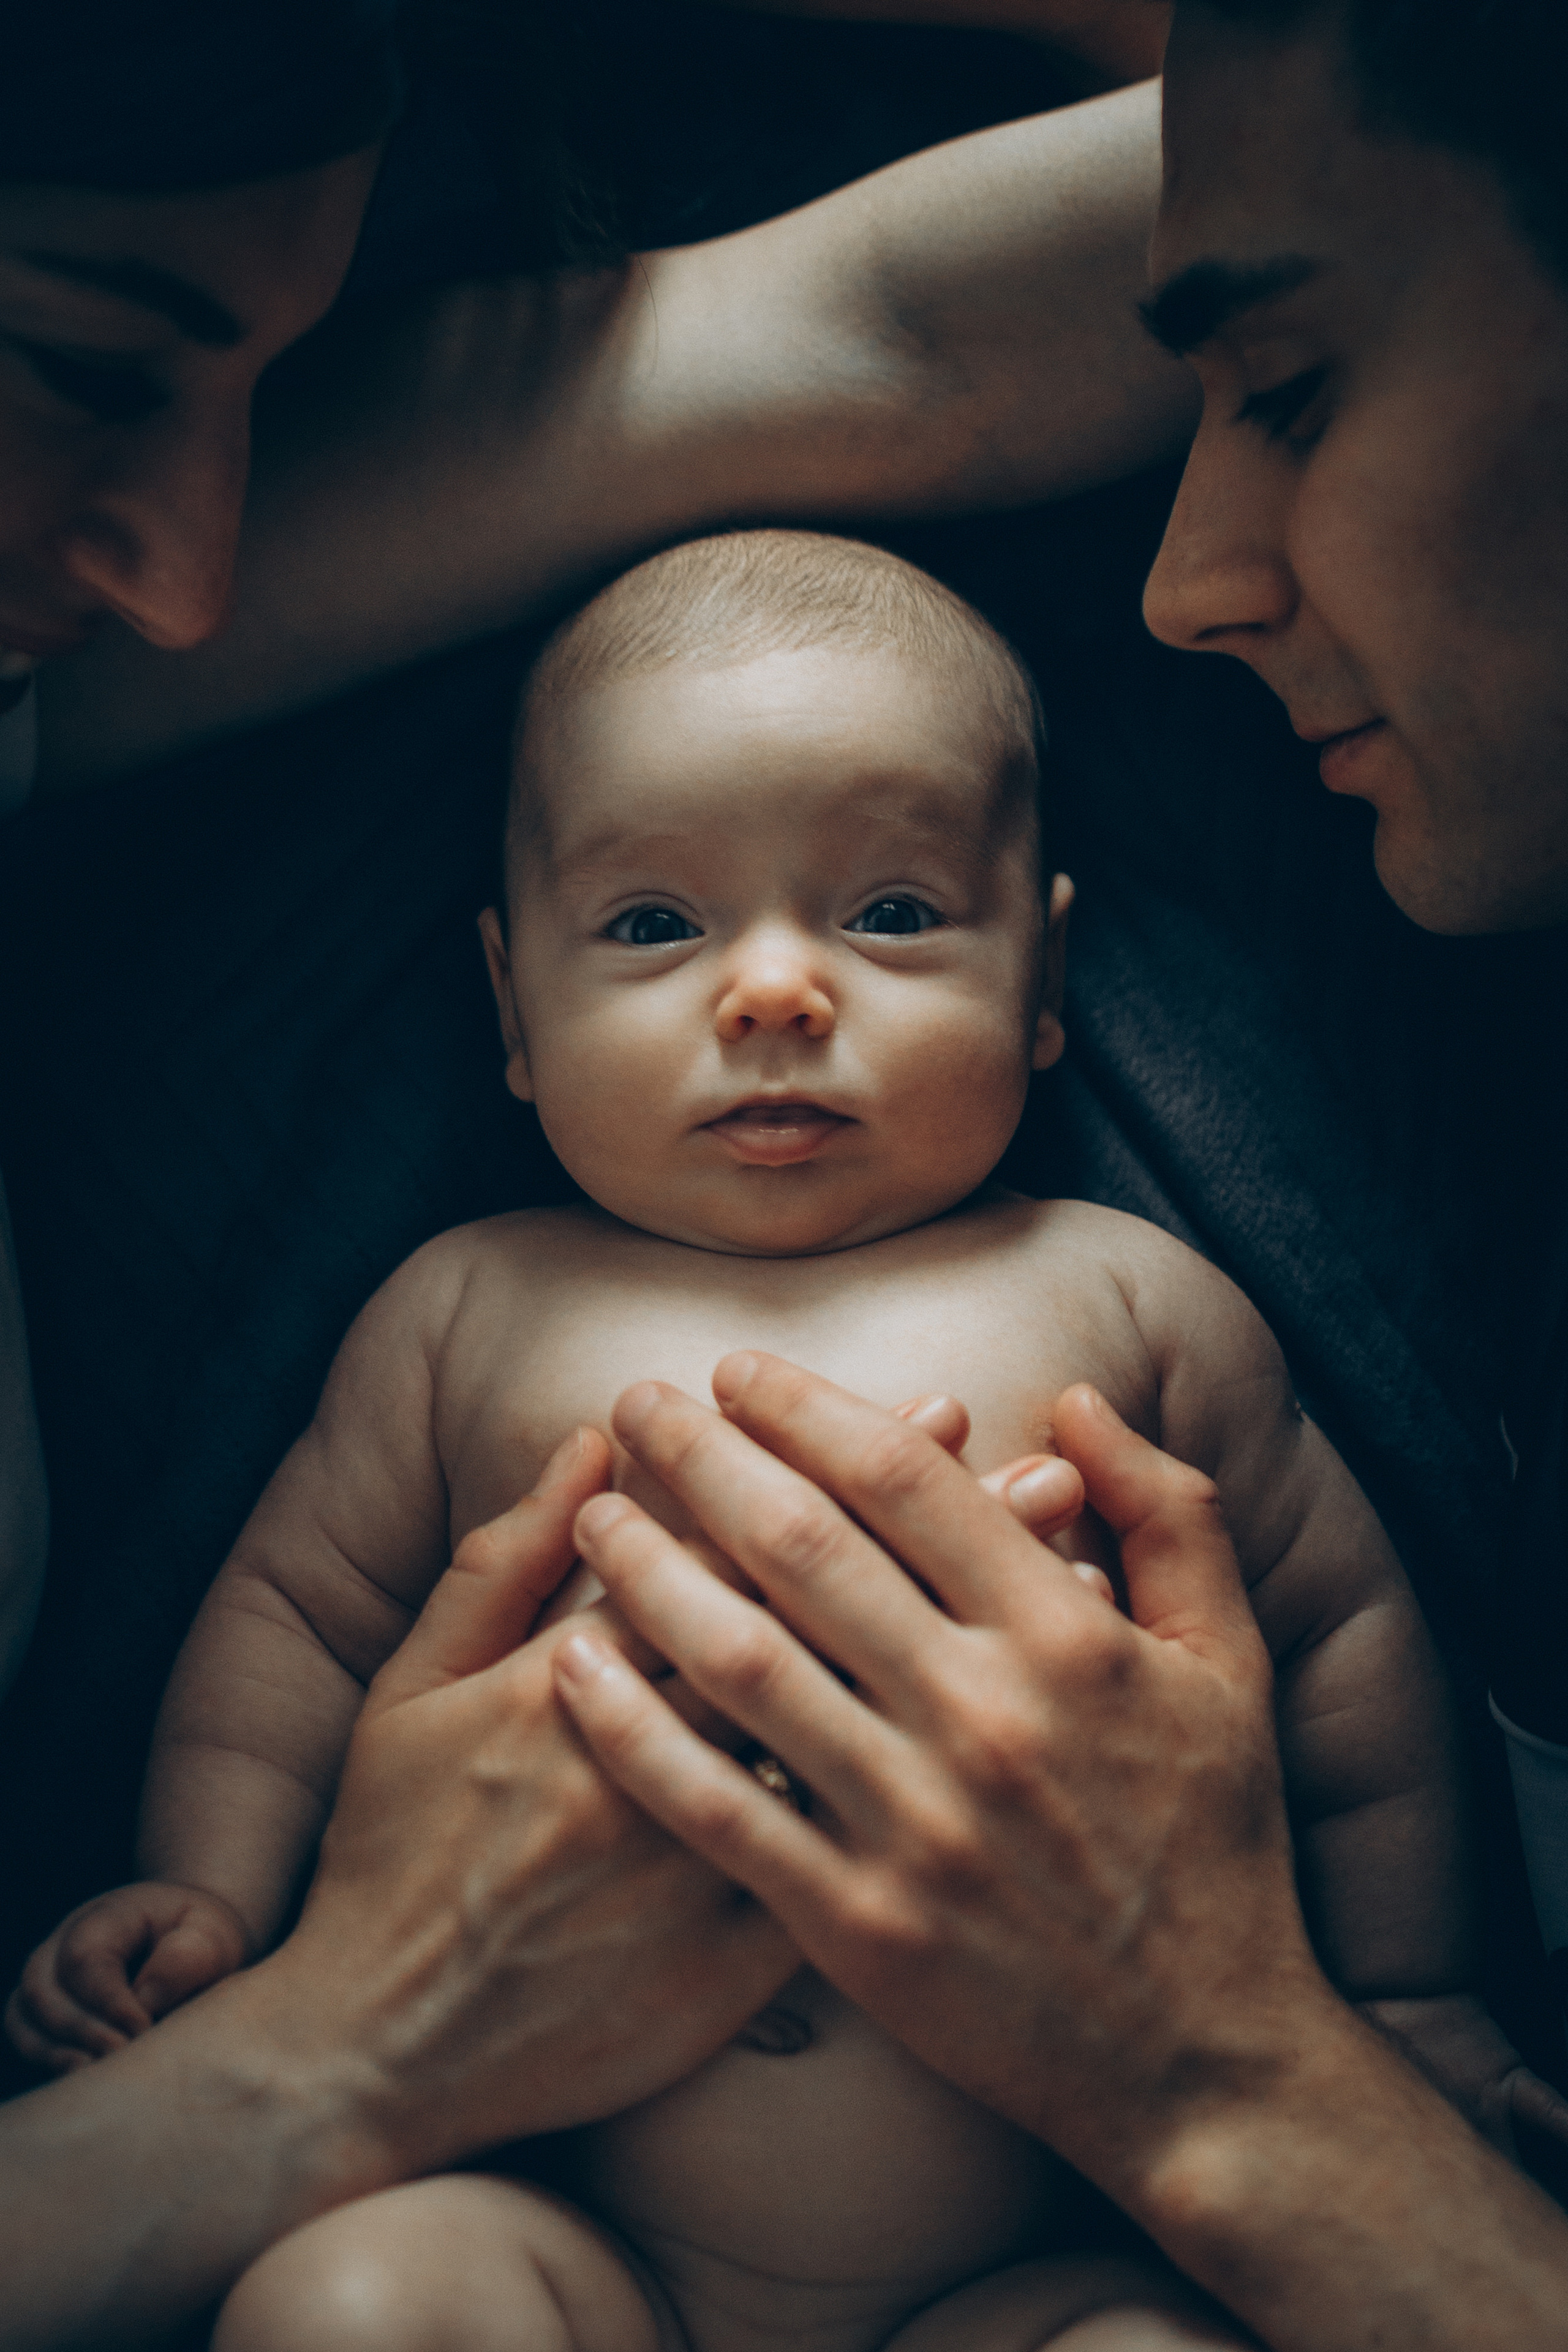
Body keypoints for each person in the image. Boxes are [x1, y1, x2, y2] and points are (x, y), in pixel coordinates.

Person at [9, 530, 1499, 2352]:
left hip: (1030, 2270)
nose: (776, 990)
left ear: (1046, 979)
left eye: (890, 913)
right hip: (569, 2240)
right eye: (654, 924)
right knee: (353, 2301)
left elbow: (1338, 1641)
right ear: (510, 1015)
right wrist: (215, 1909)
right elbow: (294, 1631)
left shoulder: (1133, 1299)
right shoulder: (464, 1306)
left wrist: (1407, 2002)